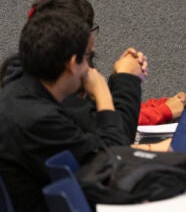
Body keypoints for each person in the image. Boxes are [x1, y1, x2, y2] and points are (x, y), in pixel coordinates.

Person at [0, 11, 145, 212]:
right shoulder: (39, 118)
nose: (90, 69)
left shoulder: (20, 94)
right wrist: (103, 93)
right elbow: (116, 163)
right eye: (88, 57)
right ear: (71, 63)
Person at [0, 0, 146, 143]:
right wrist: (122, 81)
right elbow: (114, 151)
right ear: (71, 61)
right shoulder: (50, 114)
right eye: (85, 55)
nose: (88, 69)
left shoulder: (21, 81)